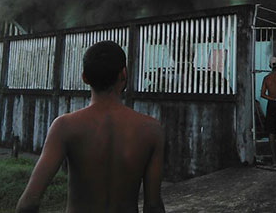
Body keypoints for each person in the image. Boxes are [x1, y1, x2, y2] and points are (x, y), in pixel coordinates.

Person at [16, 41, 165, 213]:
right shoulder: (152, 130)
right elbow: (153, 206)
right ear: (123, 74)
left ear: (84, 77)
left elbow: (28, 204)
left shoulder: (65, 127)